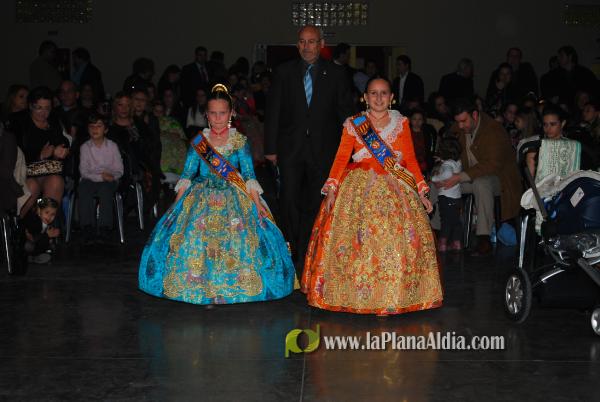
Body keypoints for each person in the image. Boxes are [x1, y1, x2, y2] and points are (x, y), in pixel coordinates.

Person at [138, 85, 295, 305]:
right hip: (201, 196)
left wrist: (258, 204)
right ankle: (200, 286)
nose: (218, 118)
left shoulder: (239, 141)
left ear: (231, 113)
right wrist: (176, 204)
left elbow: (249, 175)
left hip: (233, 196)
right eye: (213, 113)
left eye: (222, 113)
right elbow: (187, 174)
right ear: (206, 114)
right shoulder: (198, 142)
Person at [301, 77, 442, 315]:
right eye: (373, 93)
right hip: (358, 187)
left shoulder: (401, 122)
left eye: (383, 93)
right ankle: (356, 295)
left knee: (396, 240)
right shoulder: (354, 124)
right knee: (357, 241)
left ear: (391, 97)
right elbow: (341, 158)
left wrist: (421, 190)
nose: (378, 98)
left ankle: (393, 295)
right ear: (365, 97)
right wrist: (332, 188)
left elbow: (410, 159)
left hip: (395, 185)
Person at [264, 25, 354, 270]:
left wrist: (351, 147)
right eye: (302, 42)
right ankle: (292, 248)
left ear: (321, 44)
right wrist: (270, 148)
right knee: (289, 200)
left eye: (311, 41)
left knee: (315, 203)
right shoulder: (284, 72)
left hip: (323, 150)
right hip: (290, 149)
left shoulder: (337, 74)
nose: (306, 46)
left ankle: (309, 250)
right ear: (297, 45)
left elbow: (345, 112)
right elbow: (273, 111)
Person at [440, 98, 521, 256]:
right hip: (468, 177)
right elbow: (447, 151)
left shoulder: (494, 130)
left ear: (475, 115)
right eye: (458, 122)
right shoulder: (458, 128)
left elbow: (492, 165)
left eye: (464, 121)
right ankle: (438, 233)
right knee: (439, 183)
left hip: (499, 180)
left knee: (481, 182)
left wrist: (460, 176)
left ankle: (484, 238)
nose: (460, 126)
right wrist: (442, 172)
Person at [78, 113, 123, 243]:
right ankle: (87, 227)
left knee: (105, 190)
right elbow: (84, 171)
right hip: (90, 178)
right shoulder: (85, 147)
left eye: (99, 126)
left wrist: (112, 177)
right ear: (88, 129)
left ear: (106, 129)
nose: (95, 129)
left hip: (109, 179)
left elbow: (119, 169)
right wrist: (100, 177)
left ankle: (105, 227)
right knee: (83, 189)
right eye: (91, 126)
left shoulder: (112, 146)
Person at [431, 137, 463, 252]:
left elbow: (447, 174)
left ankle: (443, 243)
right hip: (457, 198)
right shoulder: (458, 162)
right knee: (456, 221)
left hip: (445, 197)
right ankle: (457, 243)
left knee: (445, 222)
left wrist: (435, 178)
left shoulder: (446, 165)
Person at [22, 197, 60, 264]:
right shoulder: (34, 221)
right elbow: (33, 238)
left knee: (50, 246)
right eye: (47, 212)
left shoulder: (50, 223)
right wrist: (47, 235)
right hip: (27, 244)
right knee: (28, 245)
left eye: (53, 214)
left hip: (38, 245)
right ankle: (28, 256)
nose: (49, 217)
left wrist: (53, 236)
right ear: (39, 211)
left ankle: (33, 257)